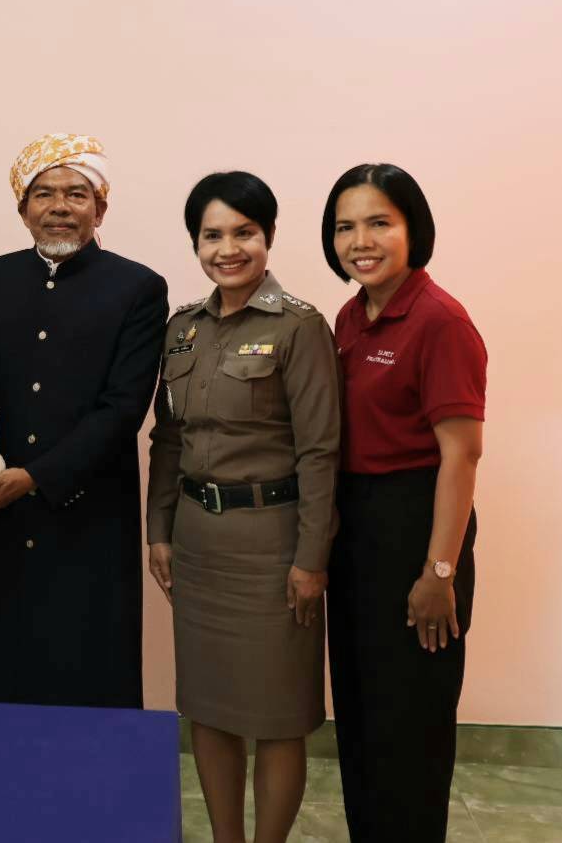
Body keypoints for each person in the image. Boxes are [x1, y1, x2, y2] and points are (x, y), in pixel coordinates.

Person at [0, 133, 167, 707]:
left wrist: (35, 477)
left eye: (76, 194)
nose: (60, 207)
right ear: (23, 210)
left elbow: (123, 408)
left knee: (90, 669)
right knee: (5, 669)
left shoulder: (137, 287)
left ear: (100, 208)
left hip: (90, 514)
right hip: (2, 511)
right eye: (44, 194)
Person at [145, 172, 339, 843]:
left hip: (273, 547)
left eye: (243, 233)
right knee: (209, 708)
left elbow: (321, 452)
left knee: (279, 716)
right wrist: (158, 528)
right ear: (196, 243)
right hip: (198, 543)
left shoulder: (300, 327)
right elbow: (168, 439)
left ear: (268, 236)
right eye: (212, 235)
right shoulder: (182, 330)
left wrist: (311, 558)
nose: (228, 249)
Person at [322, 164, 485, 843]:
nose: (360, 241)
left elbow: (462, 455)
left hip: (416, 529)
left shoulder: (440, 320)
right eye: (345, 226)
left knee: (409, 729)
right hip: (355, 533)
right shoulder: (351, 316)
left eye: (379, 222)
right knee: (361, 716)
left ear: (413, 228)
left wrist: (439, 571)